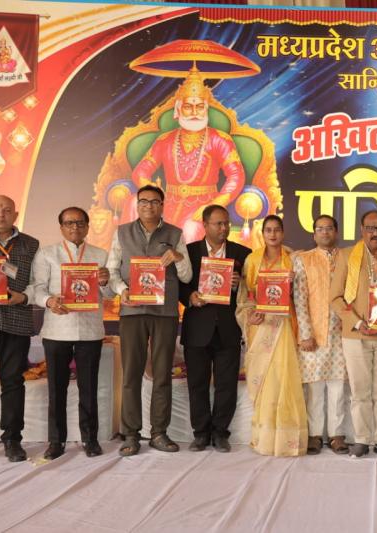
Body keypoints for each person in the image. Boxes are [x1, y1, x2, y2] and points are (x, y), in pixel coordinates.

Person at [106, 184, 193, 456]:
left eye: (155, 201)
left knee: (162, 373)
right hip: (132, 311)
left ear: (162, 205)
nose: (149, 206)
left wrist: (178, 257)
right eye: (144, 201)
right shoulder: (122, 232)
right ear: (137, 204)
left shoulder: (175, 234)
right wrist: (122, 290)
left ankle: (158, 433)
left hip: (165, 312)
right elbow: (111, 270)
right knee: (131, 373)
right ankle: (131, 434)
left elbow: (187, 276)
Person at [30, 207, 113, 459]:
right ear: (61, 227)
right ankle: (56, 442)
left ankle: (90, 439)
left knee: (89, 388)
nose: (74, 227)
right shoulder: (47, 254)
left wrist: (105, 281)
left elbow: (109, 295)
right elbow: (37, 288)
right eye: (69, 223)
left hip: (90, 330)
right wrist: (49, 301)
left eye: (79, 222)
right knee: (57, 389)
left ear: (87, 226)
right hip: (57, 329)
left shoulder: (101, 254)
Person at [131, 68, 244, 242]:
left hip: (203, 206)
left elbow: (236, 176)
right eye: (188, 107)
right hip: (167, 203)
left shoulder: (219, 139)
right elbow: (141, 171)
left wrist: (214, 205)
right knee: (135, 202)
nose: (194, 112)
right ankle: (135, 258)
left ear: (206, 109)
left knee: (190, 230)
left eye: (199, 107)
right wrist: (151, 191)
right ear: (179, 109)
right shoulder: (165, 140)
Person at [329, 210, 377, 458]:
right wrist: (356, 322)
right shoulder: (346, 255)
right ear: (362, 230)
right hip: (356, 334)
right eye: (370, 228)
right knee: (360, 390)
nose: (375, 233)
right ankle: (361, 439)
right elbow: (335, 298)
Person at [178, 205, 250, 453]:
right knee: (197, 384)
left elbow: (251, 291)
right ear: (205, 225)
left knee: (226, 385)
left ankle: (220, 433)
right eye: (218, 224)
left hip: (228, 329)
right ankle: (200, 433)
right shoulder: (189, 252)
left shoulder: (242, 253)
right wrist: (190, 297)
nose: (224, 228)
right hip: (197, 328)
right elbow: (178, 284)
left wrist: (238, 286)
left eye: (226, 223)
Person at [235, 215, 307, 456]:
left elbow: (304, 295)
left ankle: (287, 440)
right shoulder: (253, 260)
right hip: (262, 326)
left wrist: (295, 282)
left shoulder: (293, 259)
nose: (273, 234)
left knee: (284, 378)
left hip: (285, 325)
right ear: (263, 233)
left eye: (277, 230)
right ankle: (264, 438)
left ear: (283, 233)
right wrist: (250, 315)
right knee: (265, 381)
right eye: (268, 230)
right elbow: (245, 295)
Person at [292, 215, 349, 454]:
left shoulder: (348, 258)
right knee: (314, 388)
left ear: (336, 232)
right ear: (314, 234)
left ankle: (337, 435)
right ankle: (314, 434)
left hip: (342, 333)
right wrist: (305, 333)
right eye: (320, 229)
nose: (325, 232)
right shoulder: (303, 259)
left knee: (338, 387)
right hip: (313, 333)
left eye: (329, 228)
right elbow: (299, 297)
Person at [0, 195, 39, 462]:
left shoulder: (31, 244)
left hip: (16, 320)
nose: (0, 214)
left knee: (12, 381)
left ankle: (12, 439)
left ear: (16, 214)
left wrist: (23, 297)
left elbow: (38, 282)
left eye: (6, 210)